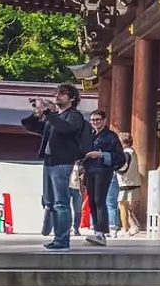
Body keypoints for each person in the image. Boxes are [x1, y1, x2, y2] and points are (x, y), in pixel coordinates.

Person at [21, 84, 90, 252]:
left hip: (62, 161)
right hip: (50, 161)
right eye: (56, 93)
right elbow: (30, 125)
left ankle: (62, 239)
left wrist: (47, 112)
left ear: (72, 98)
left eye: (62, 93)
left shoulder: (74, 116)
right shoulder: (55, 118)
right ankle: (57, 237)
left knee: (61, 203)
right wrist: (38, 112)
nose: (57, 96)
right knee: (51, 203)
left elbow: (65, 129)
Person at [82, 109, 123, 246]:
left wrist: (101, 155)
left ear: (104, 121)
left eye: (98, 119)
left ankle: (102, 232)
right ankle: (96, 231)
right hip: (89, 171)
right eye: (93, 120)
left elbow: (120, 157)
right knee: (92, 202)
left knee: (100, 200)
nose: (95, 122)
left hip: (103, 171)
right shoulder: (89, 135)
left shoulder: (111, 136)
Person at [114, 131, 143, 236]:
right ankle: (134, 225)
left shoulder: (126, 152)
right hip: (132, 181)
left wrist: (116, 168)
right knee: (126, 206)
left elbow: (123, 167)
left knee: (122, 205)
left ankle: (125, 229)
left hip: (126, 182)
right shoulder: (131, 151)